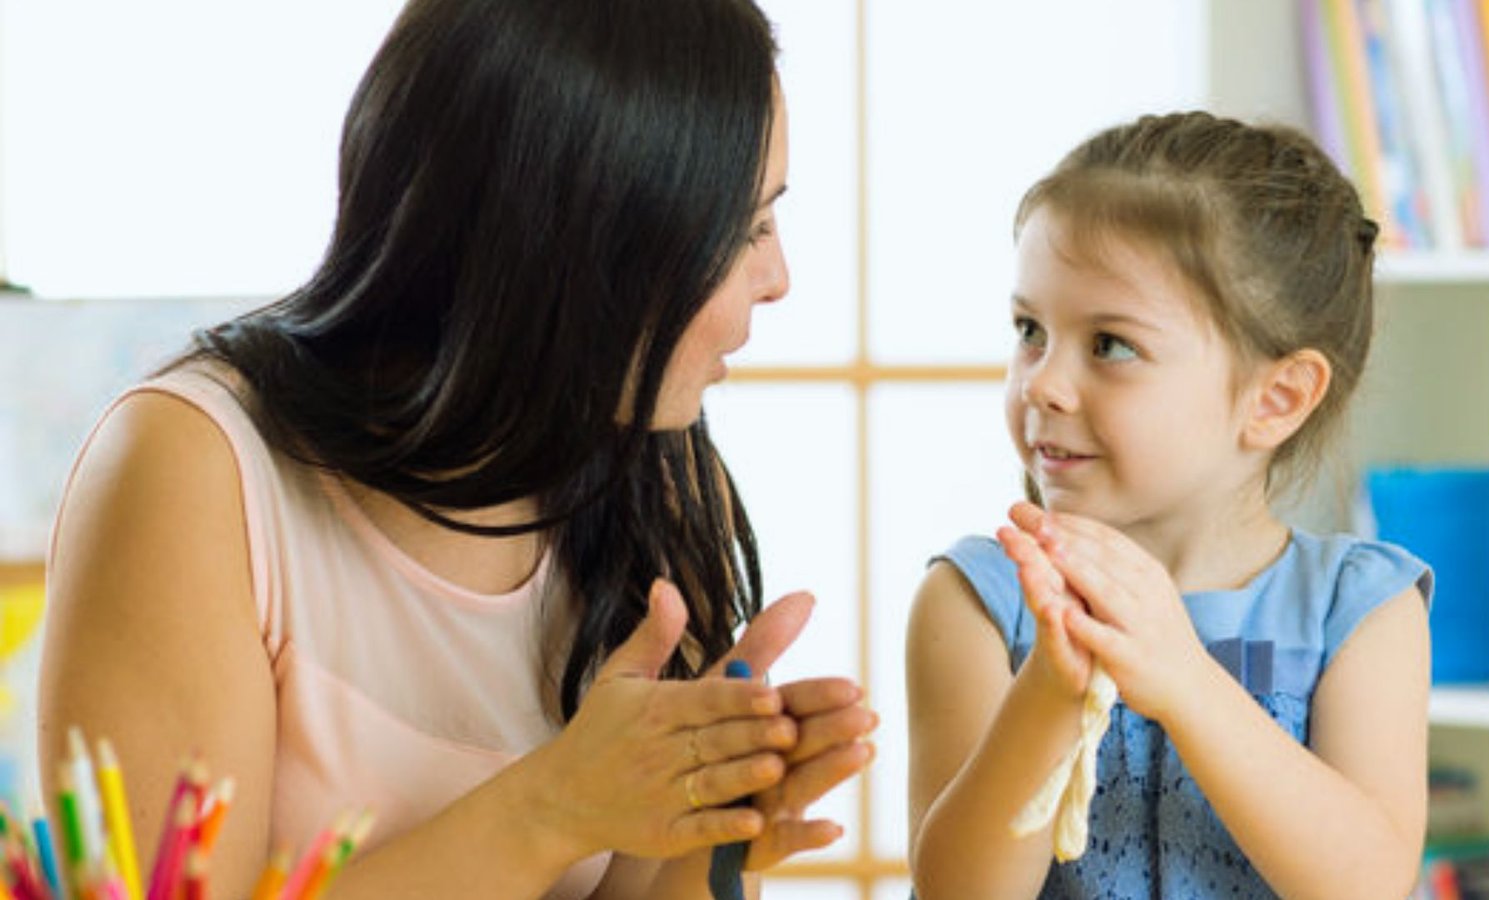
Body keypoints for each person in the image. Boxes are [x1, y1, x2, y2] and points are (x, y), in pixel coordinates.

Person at [37, 0, 877, 897]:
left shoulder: (655, 482)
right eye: (747, 229)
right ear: (585, 242)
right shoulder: (195, 467)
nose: (780, 279)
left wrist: (702, 834)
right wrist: (551, 809)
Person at [907, 111, 1432, 899]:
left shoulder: (1361, 614)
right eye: (1030, 330)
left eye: (1110, 345)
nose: (1043, 383)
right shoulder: (976, 602)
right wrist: (1051, 691)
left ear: (1276, 399)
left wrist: (1184, 679)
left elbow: (1368, 885)